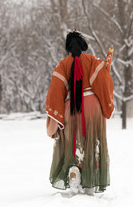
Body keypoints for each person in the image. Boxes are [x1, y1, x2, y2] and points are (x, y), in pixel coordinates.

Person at [46, 31, 114, 195]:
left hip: (72, 108)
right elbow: (104, 82)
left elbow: (55, 93)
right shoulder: (93, 61)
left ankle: (74, 169)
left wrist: (54, 121)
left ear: (68, 47)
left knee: (73, 143)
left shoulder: (62, 65)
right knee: (93, 142)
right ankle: (90, 181)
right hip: (93, 107)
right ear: (82, 45)